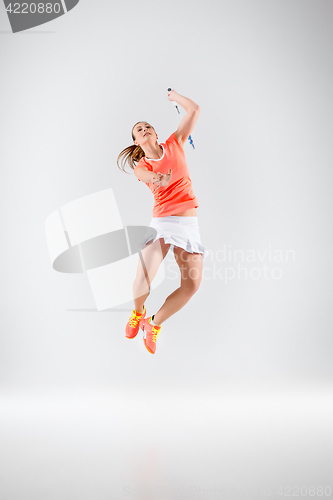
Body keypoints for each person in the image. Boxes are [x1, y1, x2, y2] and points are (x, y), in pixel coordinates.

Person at [117, 89, 208, 354]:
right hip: (163, 223)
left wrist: (175, 97)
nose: (144, 129)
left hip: (189, 225)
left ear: (155, 134)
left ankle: (153, 324)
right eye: (138, 130)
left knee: (191, 286)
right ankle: (138, 312)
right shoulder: (141, 165)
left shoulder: (175, 142)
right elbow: (146, 176)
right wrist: (159, 179)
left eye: (147, 127)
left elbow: (194, 110)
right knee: (143, 278)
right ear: (136, 142)